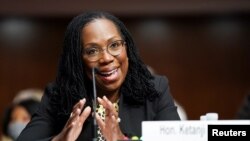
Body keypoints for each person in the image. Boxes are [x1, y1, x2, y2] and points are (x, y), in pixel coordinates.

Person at [17, 11, 180, 141]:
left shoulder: (155, 89)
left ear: (127, 48)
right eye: (92, 51)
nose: (107, 58)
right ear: (77, 60)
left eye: (115, 45)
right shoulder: (58, 95)